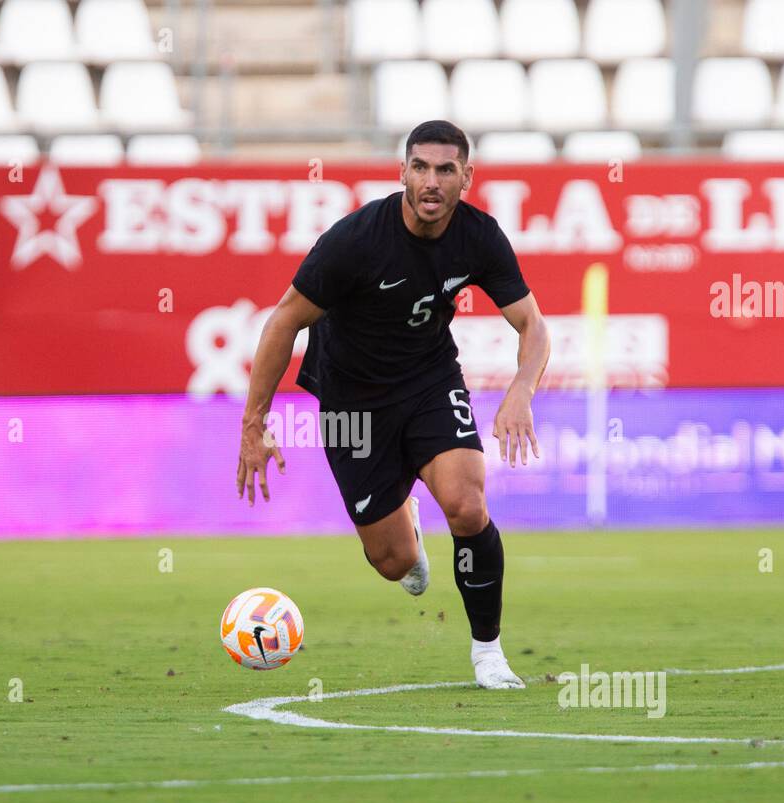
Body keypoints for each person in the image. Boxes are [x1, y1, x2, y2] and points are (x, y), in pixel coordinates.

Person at [236, 119, 551, 689]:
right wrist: (254, 423)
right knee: (394, 564)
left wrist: (521, 390)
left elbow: (531, 323)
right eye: (420, 167)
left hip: (429, 382)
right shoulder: (356, 240)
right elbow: (284, 319)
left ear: (466, 177)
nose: (432, 181)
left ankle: (488, 653)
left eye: (445, 170)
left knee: (466, 505)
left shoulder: (480, 236)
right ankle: (404, 518)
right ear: (402, 172)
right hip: (352, 403)